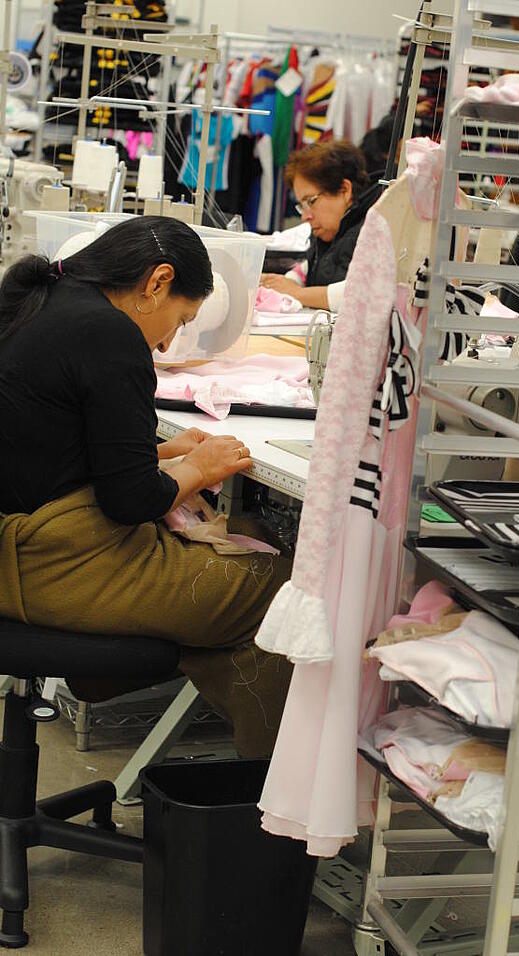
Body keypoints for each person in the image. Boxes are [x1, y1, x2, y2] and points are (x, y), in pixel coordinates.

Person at [0, 216, 292, 757]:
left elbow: (48, 444)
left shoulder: (39, 301)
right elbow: (131, 500)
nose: (167, 344)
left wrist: (157, 453)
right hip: (53, 563)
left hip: (19, 546)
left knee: (241, 544)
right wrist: (201, 468)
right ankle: (265, 802)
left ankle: (230, 782)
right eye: (181, 319)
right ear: (156, 282)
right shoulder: (110, 334)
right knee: (284, 588)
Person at [261, 140, 383, 311]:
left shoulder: (372, 231)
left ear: (344, 190)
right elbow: (311, 266)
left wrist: (296, 293)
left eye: (311, 201)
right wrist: (287, 281)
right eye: (301, 206)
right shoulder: (332, 232)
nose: (305, 216)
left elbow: (360, 294)